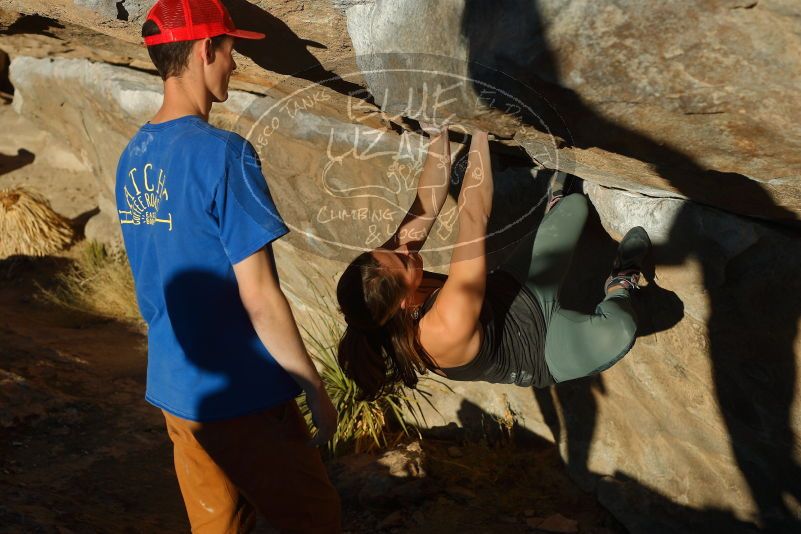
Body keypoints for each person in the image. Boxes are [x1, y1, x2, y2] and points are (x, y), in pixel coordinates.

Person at [115, 1, 340, 531]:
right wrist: (313, 385)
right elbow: (259, 297)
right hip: (245, 396)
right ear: (203, 49)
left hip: (177, 391)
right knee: (314, 520)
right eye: (231, 51)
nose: (234, 67)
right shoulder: (225, 153)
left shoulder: (133, 154)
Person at [336, 125, 650, 400]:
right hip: (542, 348)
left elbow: (428, 201)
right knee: (620, 328)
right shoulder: (443, 328)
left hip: (514, 289)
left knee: (576, 206)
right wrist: (480, 129)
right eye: (403, 262)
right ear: (403, 303)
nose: (404, 249)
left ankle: (556, 207)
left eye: (391, 250)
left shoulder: (383, 270)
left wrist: (437, 130)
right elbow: (474, 215)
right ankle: (620, 282)